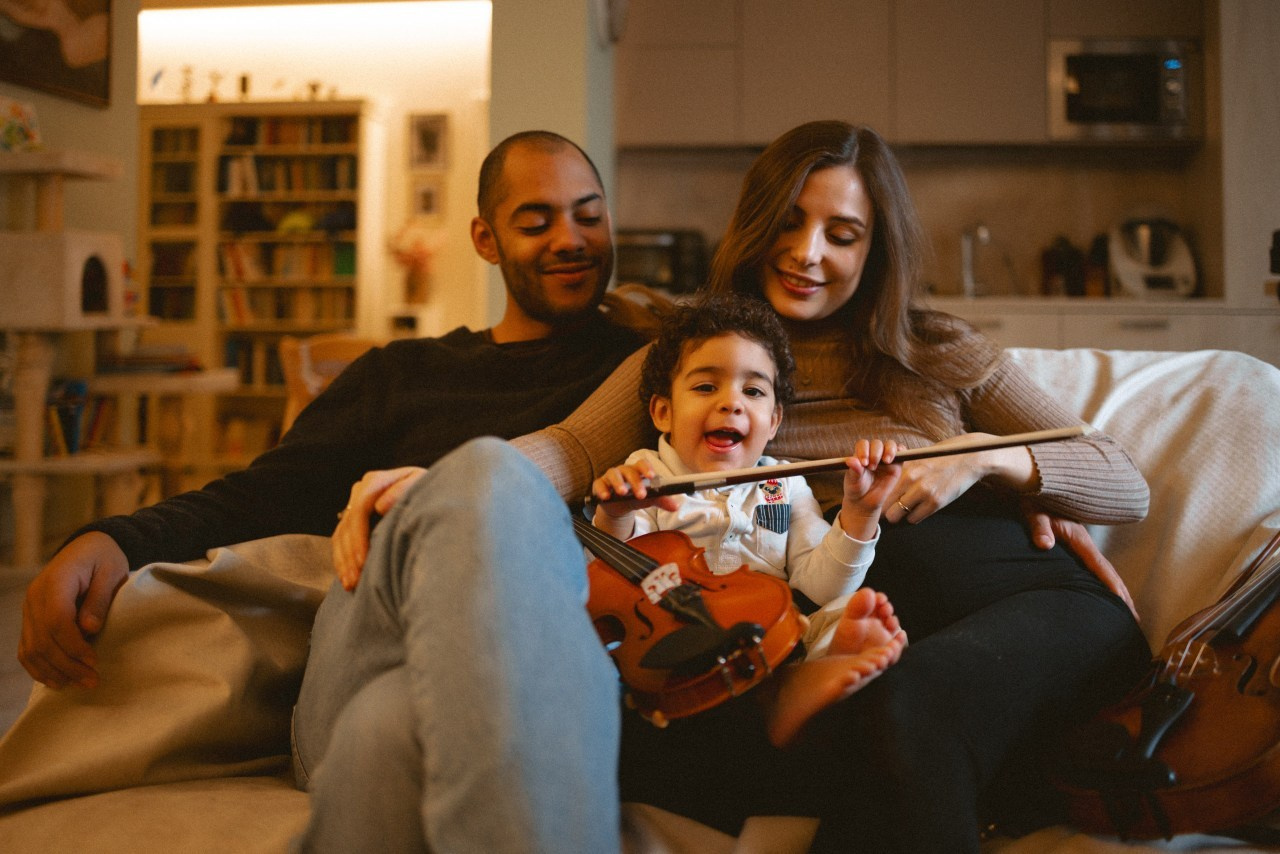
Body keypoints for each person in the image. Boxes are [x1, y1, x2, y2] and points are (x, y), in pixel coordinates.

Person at [507, 120, 1152, 851]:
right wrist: (450, 483)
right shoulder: (703, 357)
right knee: (881, 723)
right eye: (788, 222)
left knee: (904, 706)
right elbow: (568, 447)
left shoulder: (937, 347)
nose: (807, 253)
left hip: (1044, 608)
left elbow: (1123, 480)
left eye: (842, 234)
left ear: (874, 250)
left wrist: (983, 457)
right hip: (889, 644)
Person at [16, 130, 647, 853]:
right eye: (536, 221)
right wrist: (113, 538)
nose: (570, 238)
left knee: (388, 726)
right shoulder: (402, 373)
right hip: (369, 641)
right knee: (486, 474)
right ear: (485, 238)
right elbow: (259, 497)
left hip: (509, 663)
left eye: (589, 215)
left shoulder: (659, 373)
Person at [588, 293, 906, 747]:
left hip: (773, 638)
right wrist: (615, 513)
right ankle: (786, 690)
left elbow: (820, 584)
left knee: (837, 610)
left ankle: (818, 668)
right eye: (705, 387)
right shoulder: (645, 477)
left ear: (774, 421)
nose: (731, 404)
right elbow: (612, 579)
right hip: (678, 637)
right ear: (663, 412)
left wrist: (860, 513)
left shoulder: (784, 484)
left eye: (753, 391)